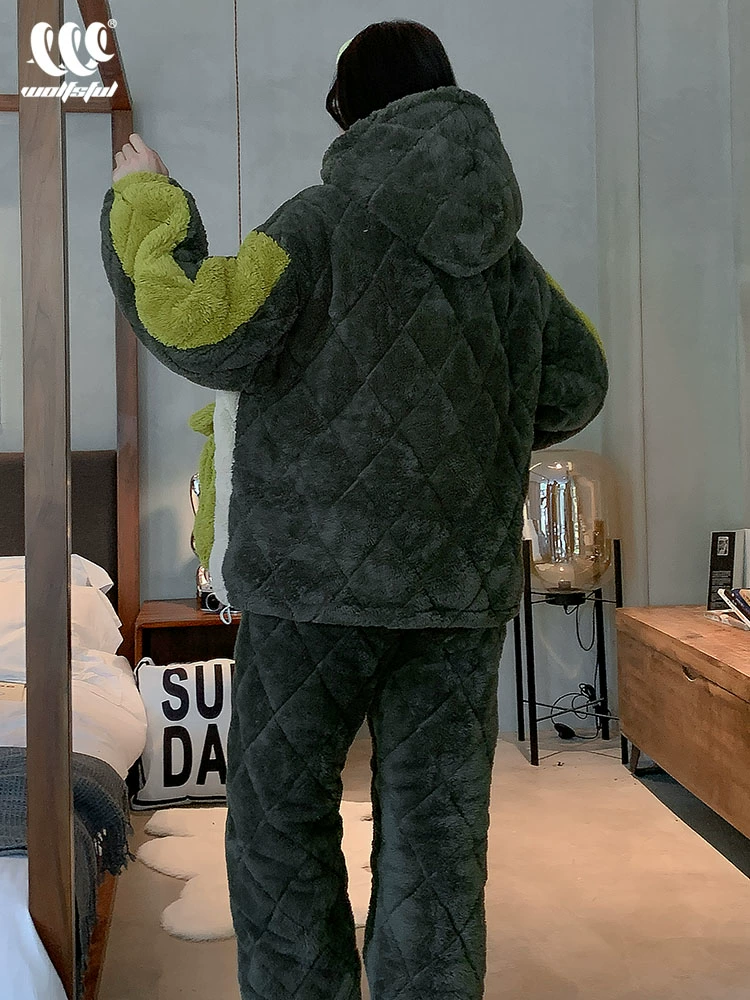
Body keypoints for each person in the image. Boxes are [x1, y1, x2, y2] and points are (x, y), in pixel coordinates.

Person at [100, 18, 608, 1000]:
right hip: (455, 597)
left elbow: (199, 325)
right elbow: (578, 380)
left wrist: (148, 198)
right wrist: (476, 421)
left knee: (279, 818)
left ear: (355, 108)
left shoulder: (317, 226)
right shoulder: (507, 261)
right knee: (437, 832)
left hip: (312, 588)